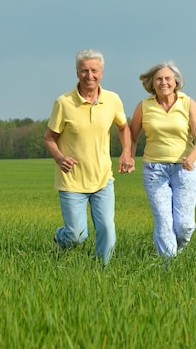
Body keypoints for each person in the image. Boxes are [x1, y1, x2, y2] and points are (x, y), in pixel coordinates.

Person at [43, 49, 134, 264]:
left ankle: (100, 270)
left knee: (108, 231)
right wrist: (59, 157)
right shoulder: (63, 102)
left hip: (103, 178)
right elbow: (49, 138)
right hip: (72, 180)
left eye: (94, 70)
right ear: (77, 73)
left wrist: (126, 153)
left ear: (101, 72)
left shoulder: (112, 100)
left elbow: (123, 127)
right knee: (77, 235)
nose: (89, 75)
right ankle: (60, 237)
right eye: (84, 71)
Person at [130, 61, 196, 258]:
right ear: (152, 84)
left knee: (185, 226)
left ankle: (176, 250)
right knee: (164, 223)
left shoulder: (188, 103)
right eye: (159, 79)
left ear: (176, 82)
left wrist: (191, 158)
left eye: (167, 78)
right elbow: (132, 137)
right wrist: (128, 156)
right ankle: (168, 267)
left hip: (184, 170)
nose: (163, 82)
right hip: (154, 170)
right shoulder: (144, 106)